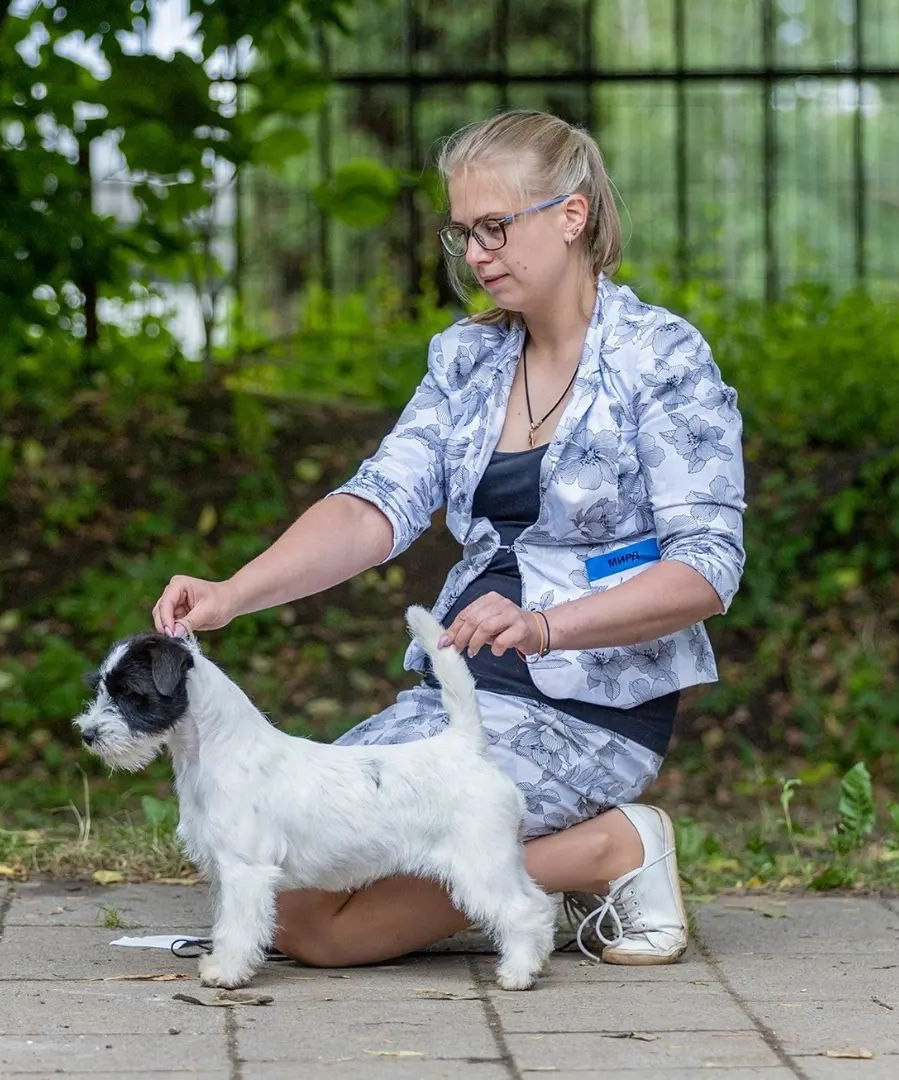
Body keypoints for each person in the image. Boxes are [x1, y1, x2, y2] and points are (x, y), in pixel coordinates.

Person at [152, 110, 745, 969]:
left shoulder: (662, 360)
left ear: (571, 216)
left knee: (323, 933)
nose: (475, 254)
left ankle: (613, 848)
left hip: (589, 701)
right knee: (286, 879)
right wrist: (231, 594)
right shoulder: (467, 358)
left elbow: (707, 571)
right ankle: (545, 867)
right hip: (457, 698)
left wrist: (546, 625)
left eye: (495, 227)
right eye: (462, 233)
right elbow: (375, 505)